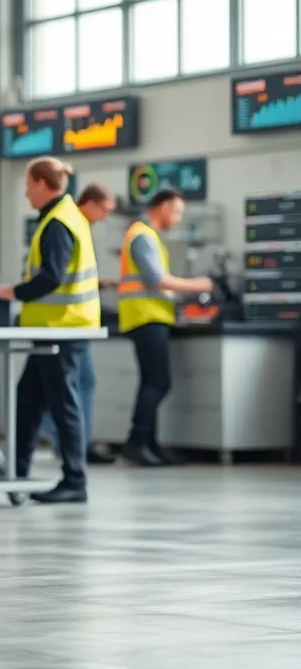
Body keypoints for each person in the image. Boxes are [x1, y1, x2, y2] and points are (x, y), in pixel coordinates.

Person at [0, 157, 99, 504]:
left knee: (63, 406)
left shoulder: (58, 222)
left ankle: (74, 481)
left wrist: (15, 292)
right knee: (29, 403)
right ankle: (16, 473)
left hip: (61, 330)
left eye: (27, 183)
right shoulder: (63, 216)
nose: (24, 191)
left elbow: (52, 277)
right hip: (51, 330)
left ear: (39, 182)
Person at [117, 188, 213, 467]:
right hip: (146, 317)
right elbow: (156, 279)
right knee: (159, 382)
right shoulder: (142, 236)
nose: (179, 218)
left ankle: (148, 446)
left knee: (151, 382)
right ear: (163, 207)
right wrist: (199, 285)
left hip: (150, 316)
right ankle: (137, 443)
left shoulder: (147, 236)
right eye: (178, 211)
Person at [38, 182, 118, 464]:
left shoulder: (76, 226)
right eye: (104, 210)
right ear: (90, 203)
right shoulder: (68, 224)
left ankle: (75, 445)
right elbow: (55, 276)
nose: (105, 217)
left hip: (77, 323)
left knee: (79, 384)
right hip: (65, 322)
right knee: (69, 388)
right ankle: (71, 448)